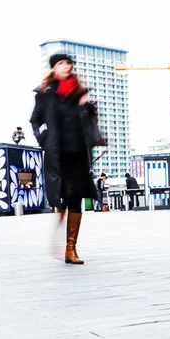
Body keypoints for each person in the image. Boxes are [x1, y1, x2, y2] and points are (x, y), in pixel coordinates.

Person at [30, 53, 105, 264]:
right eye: (61, 64)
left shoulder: (79, 94)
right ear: (53, 68)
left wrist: (89, 109)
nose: (66, 67)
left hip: (79, 153)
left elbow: (90, 123)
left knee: (76, 198)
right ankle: (61, 216)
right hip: (58, 153)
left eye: (68, 63)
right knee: (62, 196)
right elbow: (35, 120)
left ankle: (70, 249)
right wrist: (42, 139)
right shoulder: (45, 94)